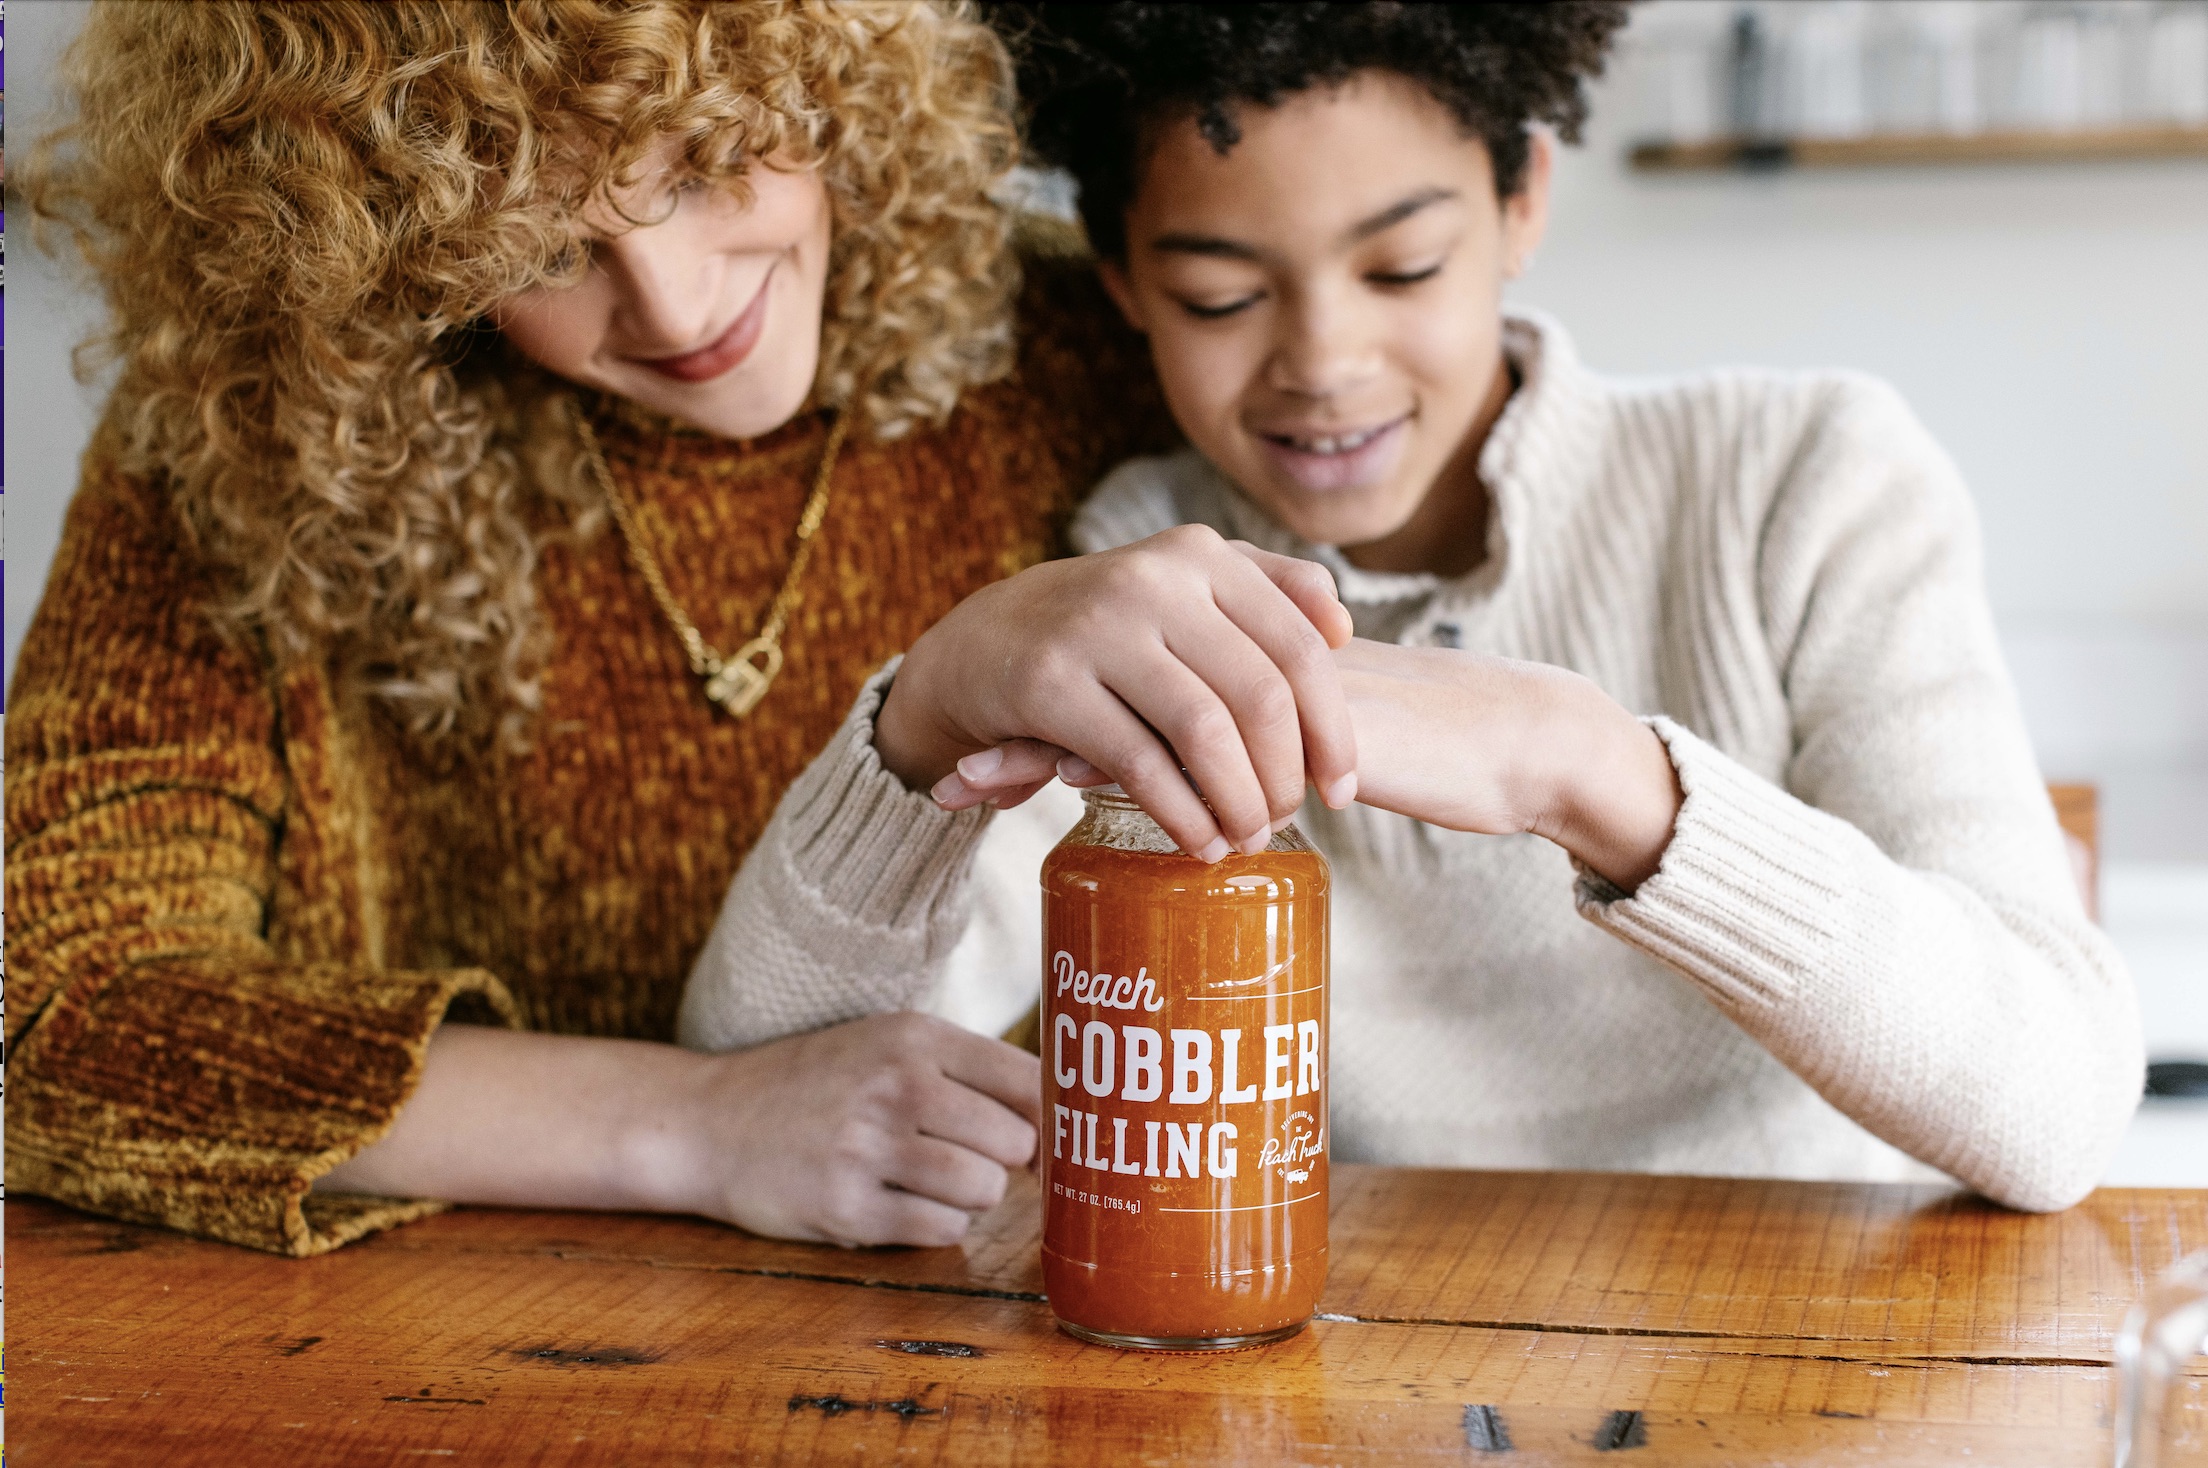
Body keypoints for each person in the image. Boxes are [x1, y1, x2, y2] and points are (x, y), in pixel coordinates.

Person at [683, 2, 2145, 1211]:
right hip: (1363, 1374)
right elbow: (762, 1070)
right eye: (1217, 296)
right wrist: (924, 714)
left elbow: (2060, 1110)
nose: (1323, 359)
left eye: (1404, 266)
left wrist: (1595, 771)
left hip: (1809, 1362)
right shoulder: (1147, 571)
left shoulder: (1803, 483)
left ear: (1522, 202)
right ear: (1121, 280)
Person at [7, 0, 1356, 1257]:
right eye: (534, 247)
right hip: (444, 1369)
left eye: (706, 163)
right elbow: (44, 1016)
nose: (673, 305)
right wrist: (695, 1127)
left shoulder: (1113, 342)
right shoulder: (258, 448)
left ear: (836, 80)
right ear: (388, 251)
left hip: (1044, 1320)